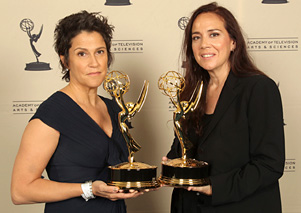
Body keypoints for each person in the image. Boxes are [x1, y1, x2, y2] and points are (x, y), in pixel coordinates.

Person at [11, 11, 145, 213]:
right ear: (65, 60)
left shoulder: (115, 109)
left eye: (100, 51)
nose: (94, 62)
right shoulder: (53, 113)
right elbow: (20, 191)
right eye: (82, 53)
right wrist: (89, 189)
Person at [164, 2, 285, 213]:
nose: (204, 44)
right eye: (196, 37)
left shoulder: (258, 89)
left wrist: (213, 187)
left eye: (214, 34)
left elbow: (269, 165)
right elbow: (184, 151)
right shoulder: (190, 92)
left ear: (233, 42)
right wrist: (172, 165)